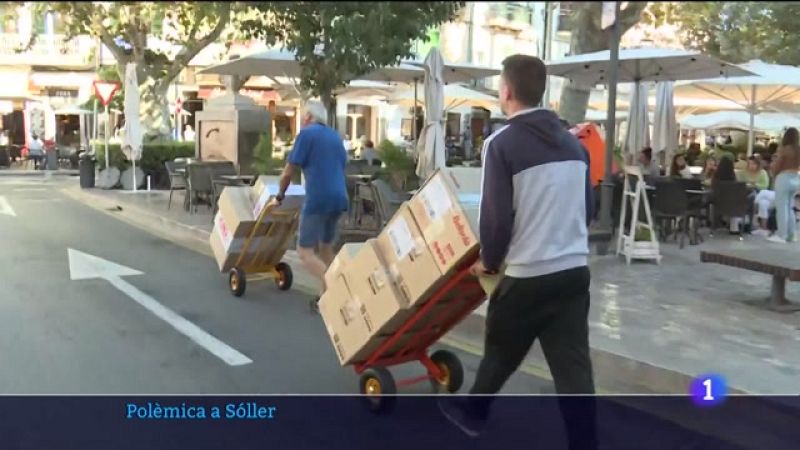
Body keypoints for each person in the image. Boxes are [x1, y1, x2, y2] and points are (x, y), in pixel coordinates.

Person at [437, 54, 596, 448]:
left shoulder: (501, 144)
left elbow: (495, 220)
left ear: (505, 91)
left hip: (528, 274)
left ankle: (473, 415)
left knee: (500, 350)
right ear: (542, 91)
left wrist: (488, 262)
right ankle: (584, 442)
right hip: (574, 271)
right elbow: (589, 210)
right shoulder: (576, 147)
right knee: (573, 367)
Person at [272, 101, 348, 304]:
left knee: (305, 252)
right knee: (325, 249)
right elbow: (341, 166)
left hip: (318, 198)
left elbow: (289, 171)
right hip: (340, 197)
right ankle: (326, 298)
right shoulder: (335, 136)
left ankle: (336, 288)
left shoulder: (306, 135)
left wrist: (280, 194)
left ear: (306, 117)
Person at [767, 128, 800, 243]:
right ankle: (791, 234)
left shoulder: (784, 149)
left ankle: (782, 235)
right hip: (796, 177)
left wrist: (774, 175)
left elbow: (778, 164)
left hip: (783, 177)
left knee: (781, 207)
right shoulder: (798, 150)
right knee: (790, 207)